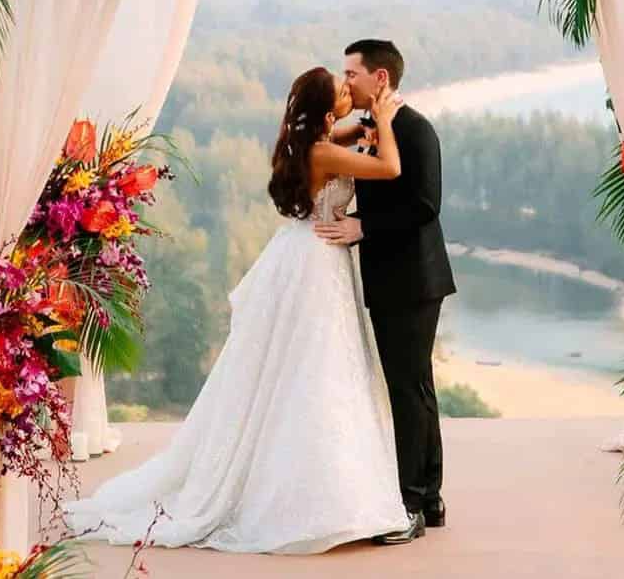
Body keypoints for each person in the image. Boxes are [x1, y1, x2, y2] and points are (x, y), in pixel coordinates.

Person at [63, 67, 409, 554]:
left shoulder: (304, 140)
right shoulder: (325, 152)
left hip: (299, 254)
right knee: (317, 371)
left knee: (293, 370)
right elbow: (390, 166)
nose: (350, 91)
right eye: (342, 90)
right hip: (315, 263)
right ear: (328, 111)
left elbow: (346, 131)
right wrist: (387, 119)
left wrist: (360, 120)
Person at [315, 39, 456, 544]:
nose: (344, 80)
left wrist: (362, 227)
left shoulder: (415, 130)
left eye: (351, 72)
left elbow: (425, 205)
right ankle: (431, 500)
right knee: (415, 386)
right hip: (392, 279)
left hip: (414, 280)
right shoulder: (375, 129)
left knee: (408, 389)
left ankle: (411, 506)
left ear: (380, 79)